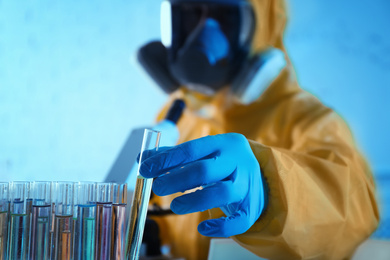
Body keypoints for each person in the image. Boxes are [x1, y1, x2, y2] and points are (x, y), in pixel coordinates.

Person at [137, 0, 380, 259]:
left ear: (260, 30)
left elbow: (354, 205)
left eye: (224, 17)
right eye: (190, 13)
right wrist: (149, 233)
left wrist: (271, 191)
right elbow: (164, 208)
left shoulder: (307, 118)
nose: (202, 31)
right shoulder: (178, 115)